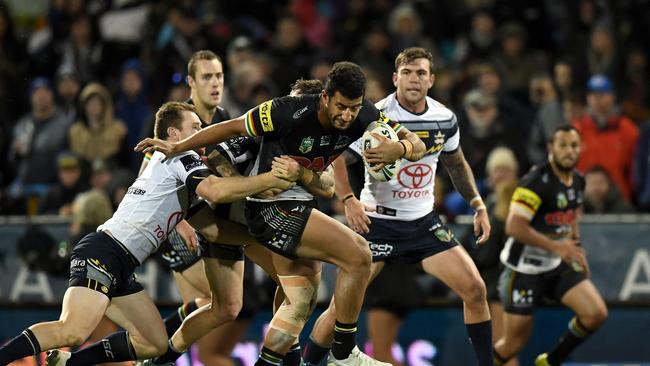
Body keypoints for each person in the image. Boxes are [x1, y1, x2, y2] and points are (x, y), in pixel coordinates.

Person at [135, 61, 426, 366]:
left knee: (299, 298)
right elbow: (226, 141)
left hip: (280, 213)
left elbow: (328, 185)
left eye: (353, 108)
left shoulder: (362, 115)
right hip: (248, 216)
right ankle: (343, 352)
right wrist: (179, 148)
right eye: (341, 107)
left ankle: (281, 360)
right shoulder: (282, 114)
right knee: (358, 256)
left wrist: (400, 149)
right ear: (324, 98)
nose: (347, 115)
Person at [0, 102, 294, 366]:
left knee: (152, 343)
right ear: (174, 134)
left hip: (121, 264)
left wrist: (257, 237)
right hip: (104, 252)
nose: (202, 133)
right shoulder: (181, 158)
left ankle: (69, 363)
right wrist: (271, 178)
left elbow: (213, 229)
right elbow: (215, 190)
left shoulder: (172, 171)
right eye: (195, 127)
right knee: (72, 330)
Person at [301, 47, 494, 366]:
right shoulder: (371, 115)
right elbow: (338, 158)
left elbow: (456, 164)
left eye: (420, 73)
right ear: (395, 78)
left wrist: (478, 204)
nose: (413, 78)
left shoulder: (444, 118)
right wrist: (348, 200)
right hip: (376, 222)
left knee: (475, 289)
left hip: (423, 223)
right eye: (406, 72)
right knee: (339, 309)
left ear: (431, 80)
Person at [145, 78, 331, 366]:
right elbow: (218, 153)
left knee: (254, 298)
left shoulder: (318, 144)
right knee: (227, 308)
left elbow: (328, 184)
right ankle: (161, 358)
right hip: (220, 222)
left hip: (249, 226)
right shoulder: (267, 128)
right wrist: (246, 185)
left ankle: (163, 359)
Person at [493, 125, 608, 366]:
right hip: (523, 270)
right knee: (512, 344)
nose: (569, 151)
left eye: (574, 145)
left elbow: (572, 215)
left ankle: (550, 361)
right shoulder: (535, 182)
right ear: (550, 148)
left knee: (596, 314)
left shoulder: (578, 180)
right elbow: (514, 227)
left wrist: (576, 247)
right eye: (563, 145)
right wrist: (558, 248)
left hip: (556, 264)